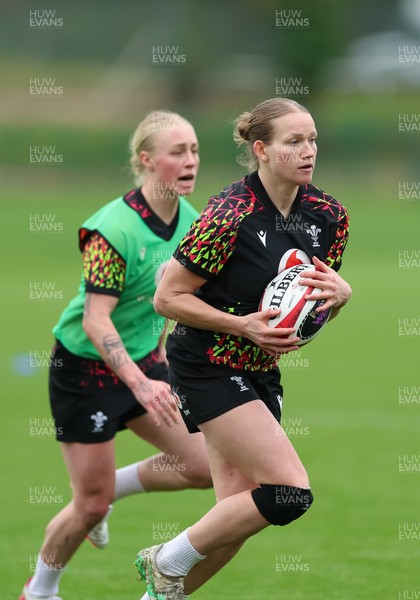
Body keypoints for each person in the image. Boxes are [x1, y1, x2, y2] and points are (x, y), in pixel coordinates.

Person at [133, 97, 352, 599]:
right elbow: (167, 298)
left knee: (236, 518)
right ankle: (165, 558)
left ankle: (157, 596)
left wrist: (340, 299)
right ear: (261, 150)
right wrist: (243, 326)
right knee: (289, 493)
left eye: (312, 139)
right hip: (205, 363)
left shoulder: (328, 217)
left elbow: (305, 312)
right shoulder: (229, 214)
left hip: (259, 369)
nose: (308, 150)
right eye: (293, 141)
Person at [19, 110, 215, 600]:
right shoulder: (113, 229)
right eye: (178, 152)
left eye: (193, 150)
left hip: (146, 360)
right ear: (147, 161)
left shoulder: (193, 222)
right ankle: (39, 591)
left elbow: (176, 299)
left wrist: (163, 361)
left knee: (202, 467)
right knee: (88, 502)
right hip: (84, 369)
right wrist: (141, 382)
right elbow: (95, 319)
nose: (190, 161)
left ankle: (114, 493)